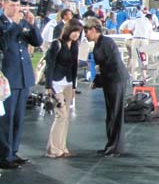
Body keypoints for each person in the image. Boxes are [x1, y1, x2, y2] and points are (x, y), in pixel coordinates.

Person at [0, 0, 43, 169]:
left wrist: (32, 25)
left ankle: (13, 151)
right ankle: (3, 155)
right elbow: (3, 43)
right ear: (3, 4)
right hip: (8, 77)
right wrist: (15, 25)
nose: (16, 8)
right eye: (12, 4)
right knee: (6, 119)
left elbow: (38, 42)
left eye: (18, 4)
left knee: (18, 117)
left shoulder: (23, 22)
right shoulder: (3, 23)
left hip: (23, 77)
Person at [84, 17, 128, 157]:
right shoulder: (98, 44)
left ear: (93, 30)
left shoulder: (106, 42)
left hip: (116, 80)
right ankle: (111, 144)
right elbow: (100, 67)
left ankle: (116, 147)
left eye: (86, 31)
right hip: (110, 81)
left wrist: (99, 80)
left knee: (115, 113)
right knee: (111, 114)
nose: (85, 35)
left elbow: (111, 64)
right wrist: (97, 81)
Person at [44, 20, 82, 158]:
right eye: (74, 31)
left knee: (65, 119)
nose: (76, 34)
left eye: (78, 32)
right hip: (56, 83)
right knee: (61, 116)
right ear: (68, 30)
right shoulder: (56, 44)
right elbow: (50, 65)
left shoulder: (75, 46)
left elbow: (74, 67)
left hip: (68, 83)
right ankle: (54, 149)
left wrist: (74, 87)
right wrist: (48, 86)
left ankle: (61, 146)